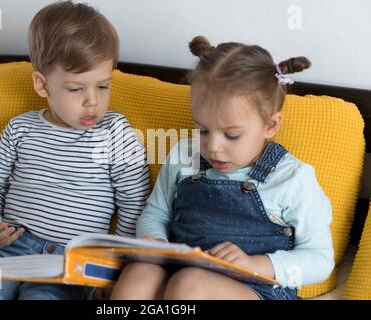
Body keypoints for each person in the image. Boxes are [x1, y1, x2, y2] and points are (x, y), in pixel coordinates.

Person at [110, 36, 334, 300]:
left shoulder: (293, 179)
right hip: (179, 275)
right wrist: (156, 242)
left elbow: (320, 260)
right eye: (203, 129)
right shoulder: (184, 155)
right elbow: (155, 213)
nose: (213, 146)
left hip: (258, 290)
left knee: (190, 284)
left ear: (270, 126)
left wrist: (257, 264)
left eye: (232, 135)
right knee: (140, 275)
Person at [0, 1, 149, 300]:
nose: (92, 102)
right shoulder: (19, 129)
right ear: (42, 84)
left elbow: (134, 202)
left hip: (70, 261)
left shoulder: (115, 132)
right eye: (76, 89)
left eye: (102, 86)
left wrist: (118, 265)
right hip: (9, 245)